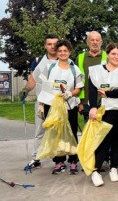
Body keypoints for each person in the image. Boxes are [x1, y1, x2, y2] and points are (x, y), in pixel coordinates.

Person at [88, 43, 118, 187]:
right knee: (102, 142)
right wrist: (93, 107)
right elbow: (92, 90)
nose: (116, 57)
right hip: (104, 111)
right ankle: (95, 171)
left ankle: (114, 168)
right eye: (113, 54)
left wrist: (108, 93)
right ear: (107, 54)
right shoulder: (95, 71)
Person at [37, 39, 84, 174]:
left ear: (69, 52)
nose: (63, 53)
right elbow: (44, 87)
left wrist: (69, 93)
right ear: (56, 53)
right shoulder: (50, 68)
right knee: (55, 134)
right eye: (60, 51)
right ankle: (59, 161)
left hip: (69, 106)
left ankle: (73, 160)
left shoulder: (74, 69)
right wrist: (41, 104)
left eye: (65, 51)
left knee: (71, 132)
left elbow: (78, 89)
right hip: (52, 106)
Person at [19, 34, 59, 170]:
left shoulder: (65, 59)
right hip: (42, 102)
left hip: (59, 102)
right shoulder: (39, 60)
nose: (52, 46)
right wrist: (26, 90)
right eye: (49, 44)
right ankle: (36, 158)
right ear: (45, 46)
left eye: (55, 43)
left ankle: (58, 160)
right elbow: (33, 79)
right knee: (39, 131)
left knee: (58, 132)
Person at [76, 31, 107, 123]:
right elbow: (77, 81)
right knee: (89, 132)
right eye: (92, 40)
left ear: (101, 42)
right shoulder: (80, 58)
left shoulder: (108, 57)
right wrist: (80, 102)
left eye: (97, 40)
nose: (95, 42)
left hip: (104, 100)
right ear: (87, 42)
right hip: (86, 101)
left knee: (104, 132)